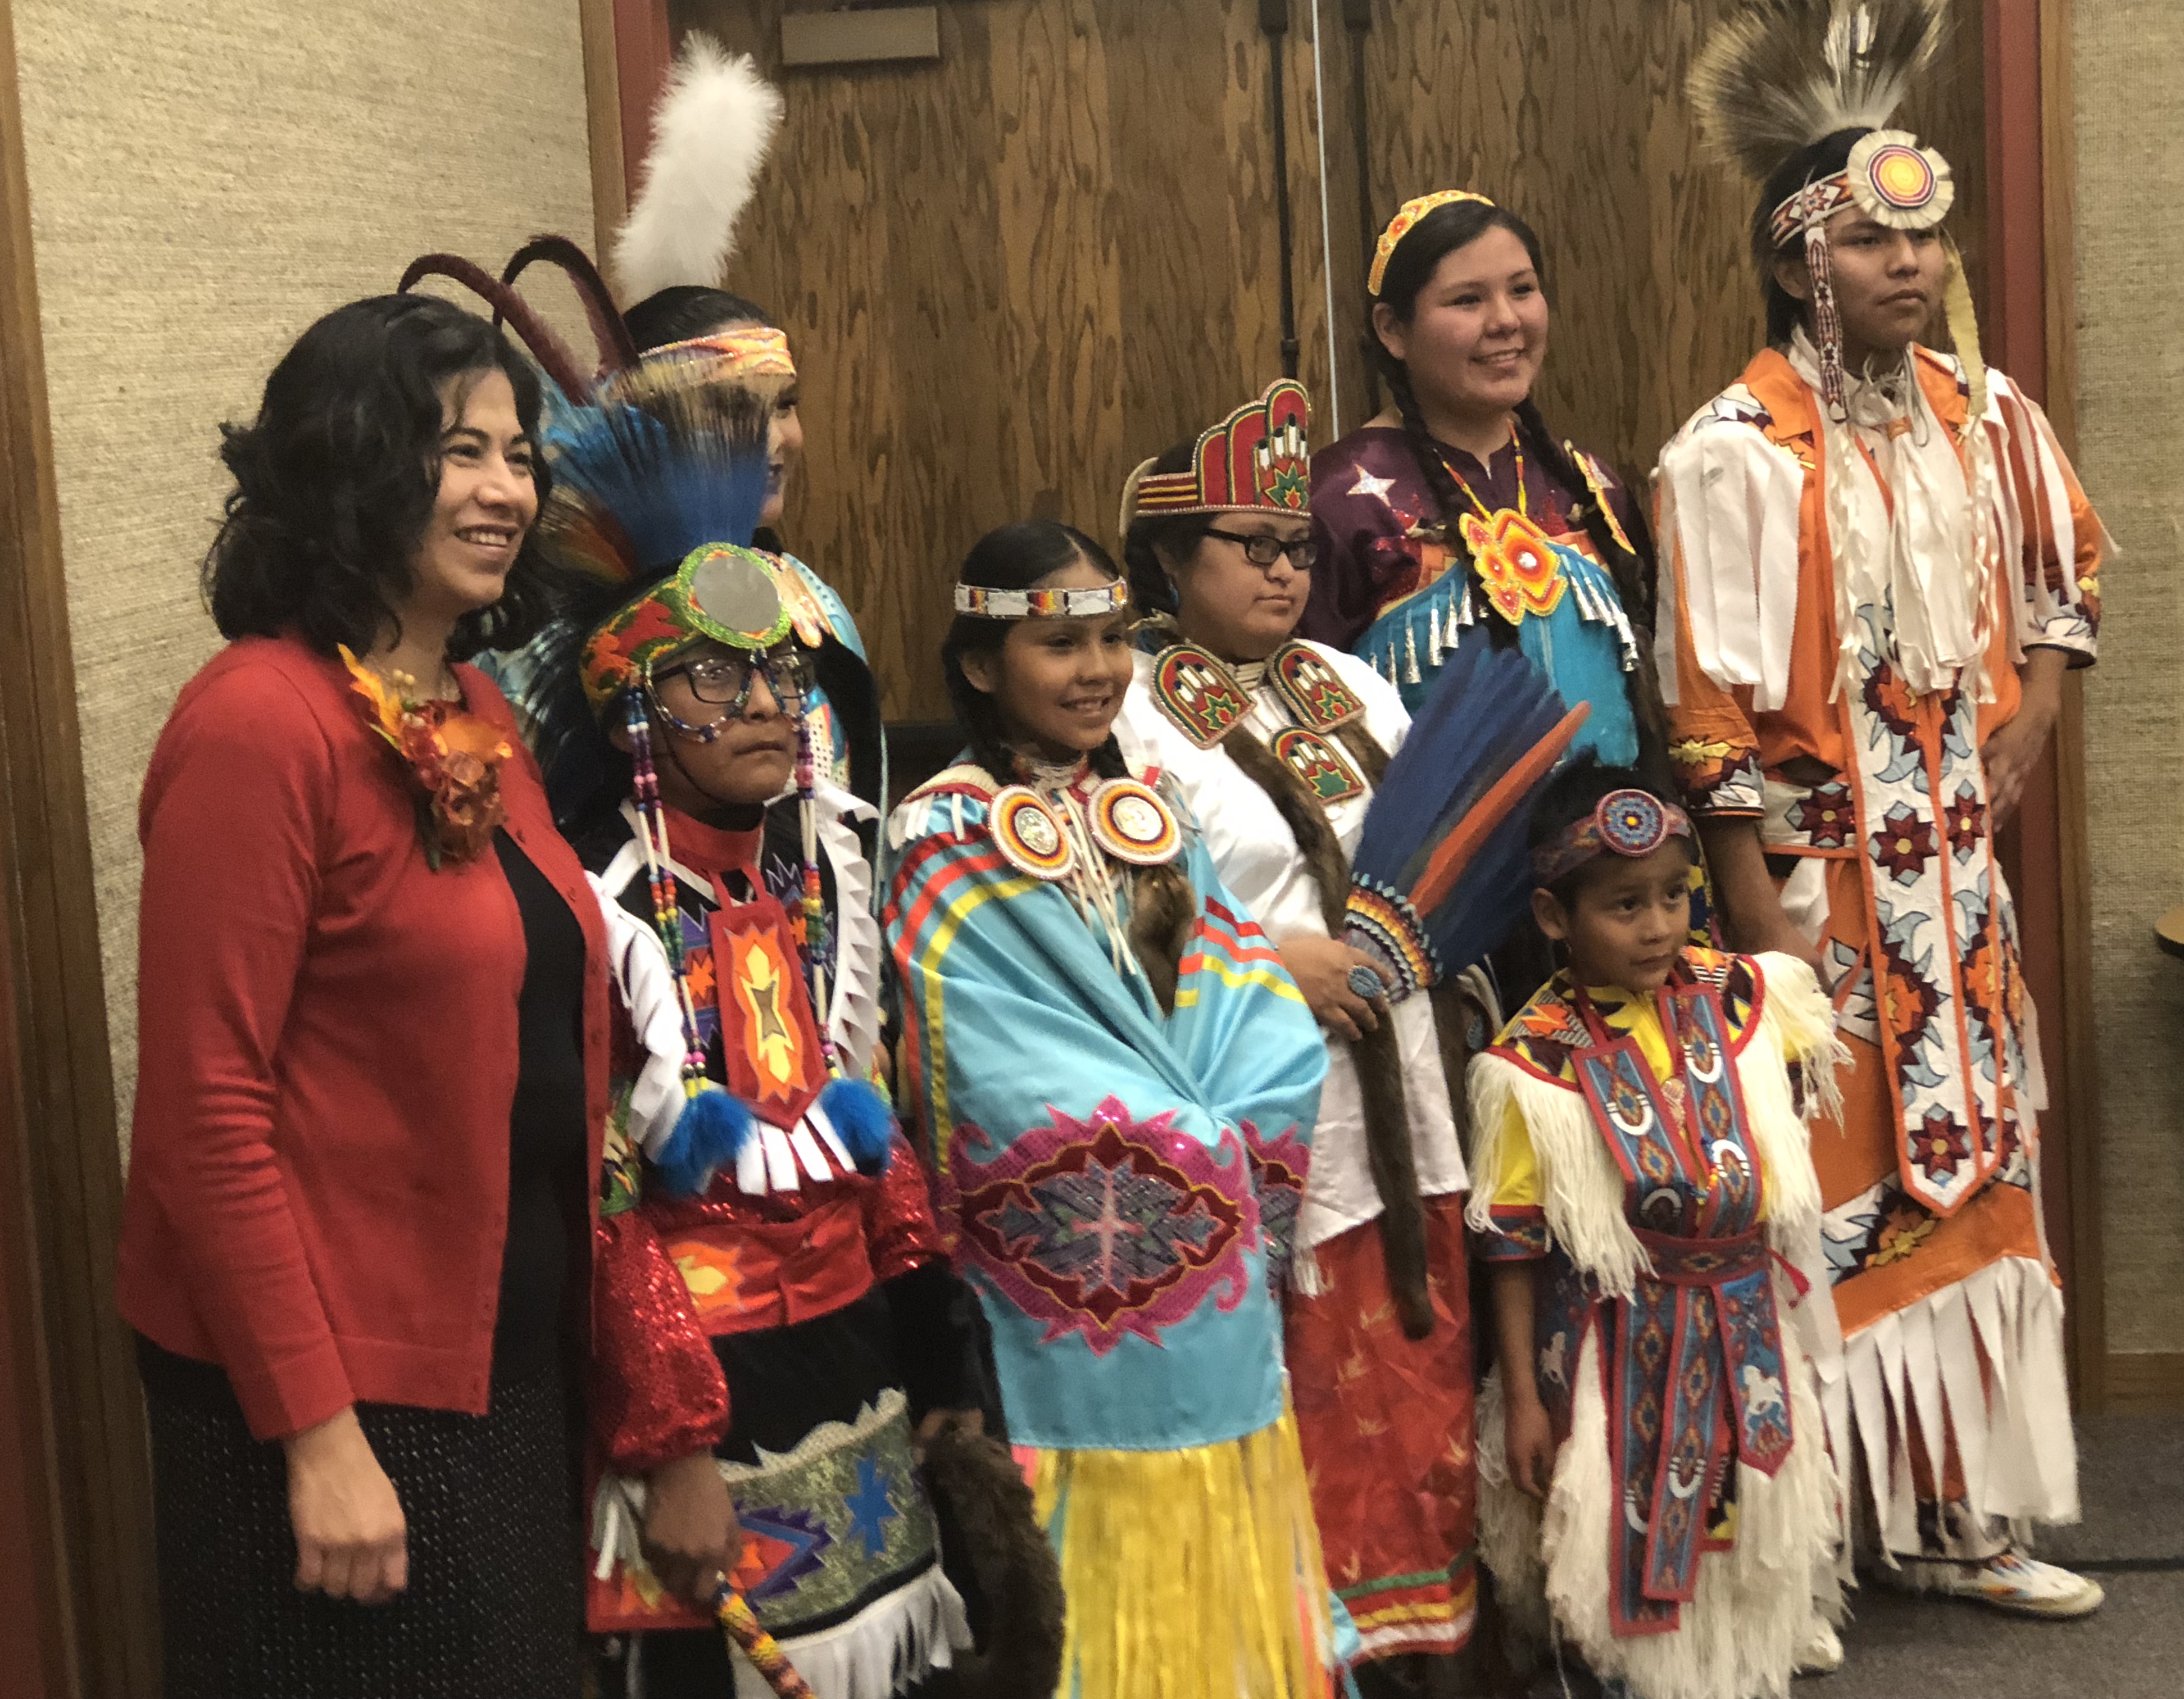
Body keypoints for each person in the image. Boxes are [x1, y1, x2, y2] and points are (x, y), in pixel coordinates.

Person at [1662, 0, 2105, 1616]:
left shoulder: (1987, 418)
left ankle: (1964, 1518)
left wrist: (2034, 713)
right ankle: (1827, 1545)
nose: (1906, 267)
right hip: (1819, 898)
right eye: (1867, 242)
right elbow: (1707, 716)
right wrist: (1761, 934)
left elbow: (2065, 579)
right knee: (1825, 1198)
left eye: (1922, 240)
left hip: (1961, 901)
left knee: (1978, 1179)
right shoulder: (1732, 455)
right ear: (1800, 266)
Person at [117, 293, 604, 1698]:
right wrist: (316, 1434)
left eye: (520, 457)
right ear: (352, 463)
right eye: (460, 452)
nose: (506, 490)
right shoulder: (257, 722)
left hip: (497, 1356)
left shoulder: (476, 712)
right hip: (336, 1399)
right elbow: (204, 1115)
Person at [506, 302, 977, 1697]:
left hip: (857, 1364)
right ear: (632, 711)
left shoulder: (823, 868)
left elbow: (870, 1129)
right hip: (700, 1383)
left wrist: (938, 1353)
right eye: (716, 677)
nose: (767, 703)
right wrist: (673, 1451)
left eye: (781, 672)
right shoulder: (591, 909)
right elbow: (599, 1201)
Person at [887, 520, 1340, 1699]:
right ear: (981, 663)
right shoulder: (941, 831)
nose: (1096, 670)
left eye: (1109, 639)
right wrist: (1181, 1138)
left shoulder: (1155, 810)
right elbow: (994, 1061)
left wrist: (1229, 1118)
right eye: (1059, 645)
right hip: (1073, 1272)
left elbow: (1247, 1001)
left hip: (1209, 1227)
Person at [1112, 380, 1480, 1680]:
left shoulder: (1351, 683)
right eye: (1250, 547)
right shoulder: (1129, 711)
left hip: (1407, 1098)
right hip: (1264, 1105)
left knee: (1415, 1390)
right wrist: (1270, 962)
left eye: (1297, 549)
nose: (1283, 572)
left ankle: (1420, 1653)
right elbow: (1115, 924)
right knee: (1302, 1395)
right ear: (1168, 559)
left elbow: (1434, 858)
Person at [1469, 763, 1842, 1699]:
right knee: (1618, 1532)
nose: (1658, 926)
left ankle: (1732, 1667)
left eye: (1675, 895)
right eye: (1625, 905)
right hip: (1614, 1342)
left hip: (1747, 1317)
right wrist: (1524, 1395)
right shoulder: (1532, 1059)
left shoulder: (1746, 997)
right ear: (1555, 916)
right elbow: (1511, 1240)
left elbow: (1791, 1097)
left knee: (1748, 1524)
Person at [606, 31, 883, 820]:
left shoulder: (812, 603)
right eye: (735, 414)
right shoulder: (587, 618)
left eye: (784, 405)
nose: (777, 440)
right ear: (649, 429)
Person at [1302, 190, 1655, 774]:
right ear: (1392, 329)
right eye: (1467, 300)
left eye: (1522, 290)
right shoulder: (1339, 501)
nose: (1506, 321)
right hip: (1425, 833)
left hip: (1617, 828)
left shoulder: (1591, 488)